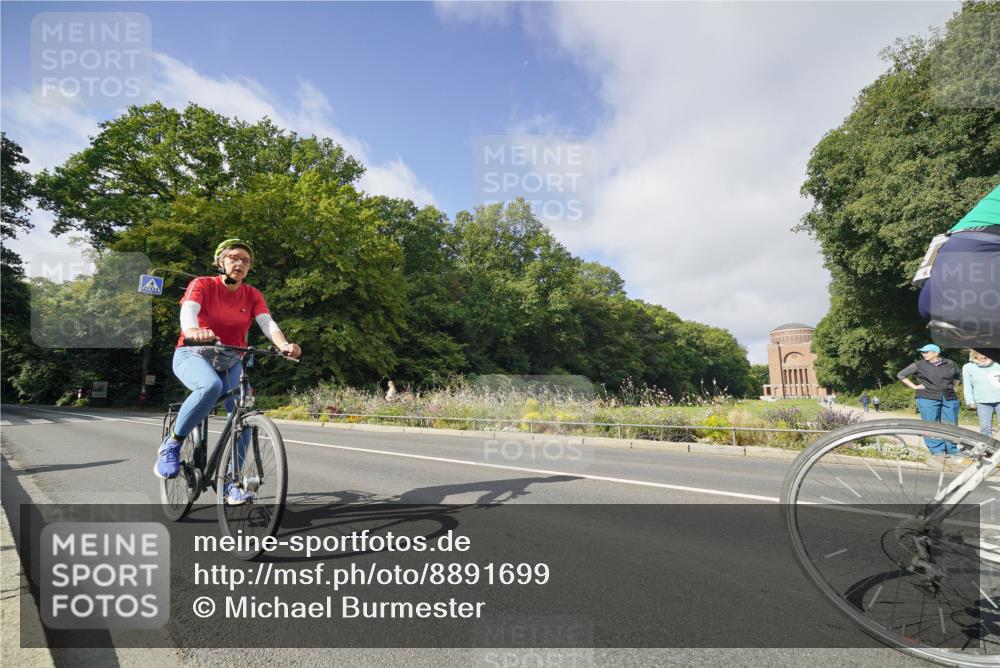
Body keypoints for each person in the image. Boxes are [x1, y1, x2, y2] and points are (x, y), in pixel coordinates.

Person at [154, 239, 302, 505]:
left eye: (246, 261)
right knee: (210, 387)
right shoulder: (202, 284)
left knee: (243, 414)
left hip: (232, 359)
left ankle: (232, 483)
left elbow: (267, 322)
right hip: (193, 353)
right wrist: (192, 332)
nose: (240, 263)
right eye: (234, 257)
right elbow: (189, 310)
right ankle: (172, 444)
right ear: (220, 262)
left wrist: (284, 345)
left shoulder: (252, 294)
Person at [896, 344, 961, 456]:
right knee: (931, 424)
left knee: (951, 424)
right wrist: (914, 387)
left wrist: (955, 387)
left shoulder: (949, 363)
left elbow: (957, 376)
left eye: (926, 352)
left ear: (936, 353)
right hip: (927, 397)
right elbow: (901, 375)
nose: (923, 354)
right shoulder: (919, 365)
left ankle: (952, 450)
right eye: (922, 352)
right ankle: (937, 451)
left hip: (949, 397)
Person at [962, 349, 1000, 439]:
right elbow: (967, 385)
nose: (984, 356)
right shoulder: (968, 367)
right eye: (981, 354)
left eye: (986, 354)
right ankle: (988, 449)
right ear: (974, 354)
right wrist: (970, 401)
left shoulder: (997, 364)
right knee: (985, 428)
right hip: (982, 401)